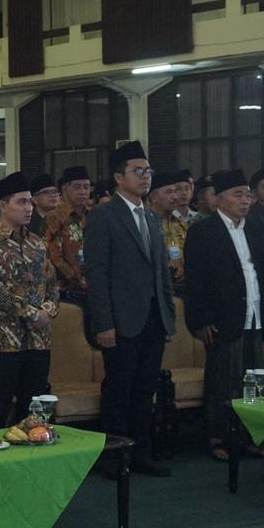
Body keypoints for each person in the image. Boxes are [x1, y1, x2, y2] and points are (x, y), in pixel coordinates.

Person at [84, 141, 176, 477]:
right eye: (138, 171)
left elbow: (161, 270)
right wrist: (103, 323)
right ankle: (113, 456)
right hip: (120, 319)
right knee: (119, 389)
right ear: (118, 177)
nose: (145, 177)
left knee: (145, 388)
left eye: (148, 171)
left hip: (152, 317)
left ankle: (141, 453)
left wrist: (167, 316)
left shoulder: (151, 216)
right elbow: (96, 273)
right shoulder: (103, 215)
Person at [183, 169, 264, 462]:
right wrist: (201, 319)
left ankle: (251, 435)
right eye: (237, 194)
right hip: (222, 318)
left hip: (253, 313)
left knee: (254, 378)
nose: (245, 200)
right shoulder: (203, 231)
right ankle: (219, 437)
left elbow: (259, 270)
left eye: (248, 195)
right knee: (223, 381)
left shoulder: (255, 227)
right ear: (218, 199)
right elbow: (195, 280)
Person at [0, 172, 59, 429]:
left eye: (30, 202)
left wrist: (48, 309)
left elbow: (52, 285)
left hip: (39, 340)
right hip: (3, 342)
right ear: (2, 205)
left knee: (34, 412)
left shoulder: (37, 243)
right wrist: (33, 314)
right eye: (21, 202)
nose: (28, 208)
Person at [42, 166, 91, 297]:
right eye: (77, 187)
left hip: (94, 285)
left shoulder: (94, 214)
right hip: (66, 290)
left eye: (86, 187)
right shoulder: (54, 217)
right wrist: (78, 279)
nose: (83, 192)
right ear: (64, 189)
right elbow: (54, 257)